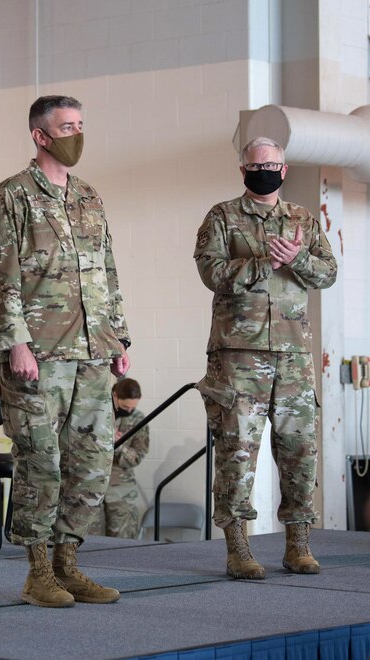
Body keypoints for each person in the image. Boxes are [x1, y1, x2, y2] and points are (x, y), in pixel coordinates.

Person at [0, 95, 131, 608]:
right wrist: (14, 342)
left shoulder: (89, 196)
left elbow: (107, 272)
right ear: (40, 136)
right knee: (41, 463)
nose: (77, 134)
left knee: (91, 464)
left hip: (91, 356)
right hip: (38, 356)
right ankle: (38, 571)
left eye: (81, 124)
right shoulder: (12, 196)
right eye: (67, 126)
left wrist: (118, 339)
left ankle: (70, 565)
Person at [194, 136, 337, 580]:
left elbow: (328, 272)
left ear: (284, 169)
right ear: (243, 171)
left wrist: (297, 259)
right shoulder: (221, 216)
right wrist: (263, 264)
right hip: (238, 356)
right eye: (257, 165)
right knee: (237, 452)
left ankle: (298, 545)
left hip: (294, 353)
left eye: (272, 165)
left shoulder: (302, 219)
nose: (265, 171)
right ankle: (238, 547)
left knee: (300, 451)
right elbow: (210, 271)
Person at [91, 379, 149, 539]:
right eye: (125, 407)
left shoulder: (138, 420)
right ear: (115, 395)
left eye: (132, 407)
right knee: (86, 537)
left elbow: (136, 458)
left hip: (120, 489)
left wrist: (119, 444)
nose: (129, 410)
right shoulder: (96, 412)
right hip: (90, 483)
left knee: (122, 541)